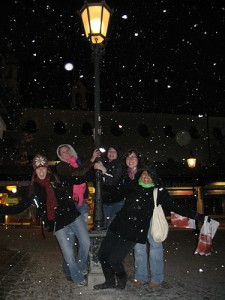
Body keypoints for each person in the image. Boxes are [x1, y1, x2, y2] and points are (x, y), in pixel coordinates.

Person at [93, 163, 207, 290]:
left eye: (149, 174)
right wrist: (102, 180)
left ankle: (122, 277)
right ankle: (109, 282)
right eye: (143, 173)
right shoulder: (132, 186)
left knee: (114, 260)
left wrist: (200, 216)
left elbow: (176, 207)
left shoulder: (158, 192)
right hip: (117, 226)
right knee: (103, 255)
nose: (146, 176)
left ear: (154, 177)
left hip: (133, 232)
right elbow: (114, 193)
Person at [0, 154, 94, 286]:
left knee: (86, 242)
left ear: (47, 168)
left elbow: (77, 179)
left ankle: (77, 267)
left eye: (43, 168)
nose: (41, 171)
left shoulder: (57, 179)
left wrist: (95, 172)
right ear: (35, 171)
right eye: (38, 169)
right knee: (68, 254)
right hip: (58, 223)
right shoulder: (33, 190)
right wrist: (2, 208)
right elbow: (19, 207)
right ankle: (78, 277)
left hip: (73, 216)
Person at [56, 144, 100, 224]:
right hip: (70, 201)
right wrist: (91, 160)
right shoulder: (61, 165)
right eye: (63, 152)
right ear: (60, 155)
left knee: (83, 224)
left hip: (82, 199)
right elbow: (76, 174)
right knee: (73, 226)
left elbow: (86, 174)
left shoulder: (79, 162)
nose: (67, 153)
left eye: (68, 150)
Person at [94, 145, 123, 227]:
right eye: (110, 150)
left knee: (113, 227)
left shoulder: (120, 166)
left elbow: (113, 182)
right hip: (104, 201)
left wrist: (103, 170)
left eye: (114, 151)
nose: (111, 153)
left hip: (116, 202)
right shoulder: (104, 163)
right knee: (105, 226)